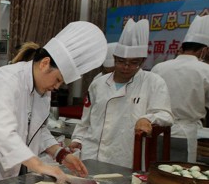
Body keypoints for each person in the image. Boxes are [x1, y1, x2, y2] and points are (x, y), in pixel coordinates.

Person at [0, 22, 106, 184]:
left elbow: (38, 128)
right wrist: (39, 165)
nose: (56, 87)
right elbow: (2, 131)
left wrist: (61, 154)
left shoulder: (43, 91)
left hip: (16, 165)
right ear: (44, 63)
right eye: (58, 80)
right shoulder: (5, 80)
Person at [70, 19, 174, 169]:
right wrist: (78, 139)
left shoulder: (153, 82)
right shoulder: (98, 83)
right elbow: (85, 120)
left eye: (133, 63)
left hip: (126, 158)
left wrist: (148, 118)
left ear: (143, 61)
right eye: (121, 61)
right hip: (92, 155)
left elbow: (166, 116)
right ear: (114, 58)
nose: (126, 67)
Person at [151, 15, 209, 162]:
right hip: (185, 133)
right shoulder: (205, 70)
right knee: (179, 176)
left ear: (181, 48)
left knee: (154, 171)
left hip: (157, 131)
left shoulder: (159, 67)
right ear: (204, 50)